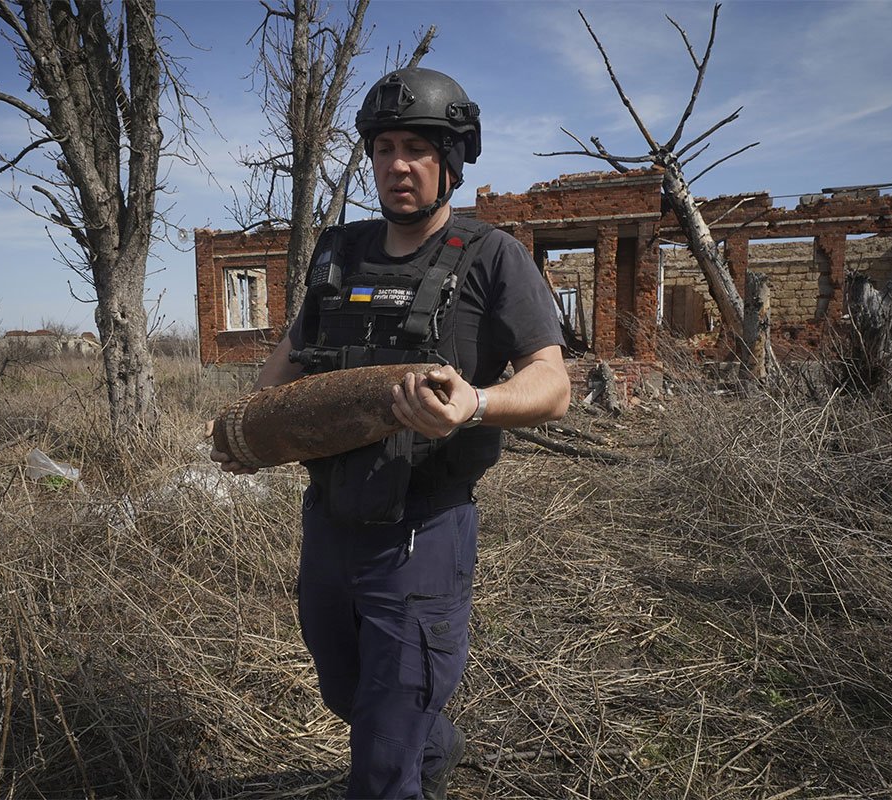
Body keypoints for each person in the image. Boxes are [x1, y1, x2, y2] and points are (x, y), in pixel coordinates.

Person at [211, 67, 571, 799]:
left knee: (380, 755)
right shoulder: (339, 253)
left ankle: (404, 765)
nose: (396, 165)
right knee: (348, 693)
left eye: (415, 147)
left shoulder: (491, 256)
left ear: (451, 160)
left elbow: (552, 383)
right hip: (330, 522)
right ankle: (429, 747)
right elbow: (292, 357)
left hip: (423, 534)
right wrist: (254, 433)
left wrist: (474, 405)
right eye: (383, 149)